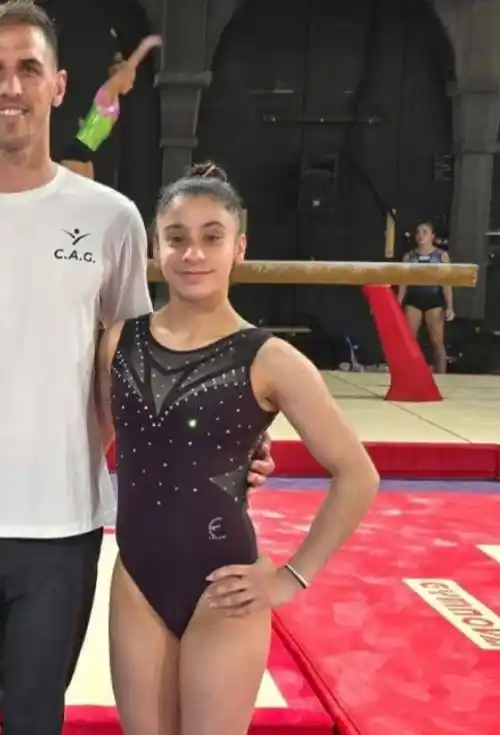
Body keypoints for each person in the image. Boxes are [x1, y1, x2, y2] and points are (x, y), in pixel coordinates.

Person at [0, 4, 276, 735]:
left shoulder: (112, 219)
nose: (11, 86)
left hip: (62, 520)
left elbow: (133, 362)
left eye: (28, 68)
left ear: (58, 86)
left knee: (36, 717)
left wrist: (213, 446)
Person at [97, 162, 379, 735]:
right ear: (157, 245)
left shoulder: (269, 358)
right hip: (137, 579)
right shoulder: (117, 341)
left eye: (211, 238)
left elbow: (357, 473)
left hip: (224, 586)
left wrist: (293, 577)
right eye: (177, 238)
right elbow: (98, 440)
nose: (193, 253)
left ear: (239, 248)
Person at [61, 33, 162, 180]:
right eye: (130, 79)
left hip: (84, 152)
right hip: (77, 152)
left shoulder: (110, 97)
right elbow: (129, 67)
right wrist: (147, 45)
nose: (131, 84)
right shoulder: (108, 93)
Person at [397, 220, 454, 373]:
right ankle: (406, 374)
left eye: (425, 232)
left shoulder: (441, 256)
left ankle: (442, 376)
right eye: (418, 232)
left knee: (437, 342)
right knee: (408, 341)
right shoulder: (409, 256)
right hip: (413, 300)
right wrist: (397, 304)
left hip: (434, 300)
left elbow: (446, 283)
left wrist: (450, 307)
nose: (421, 235)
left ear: (432, 236)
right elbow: (403, 283)